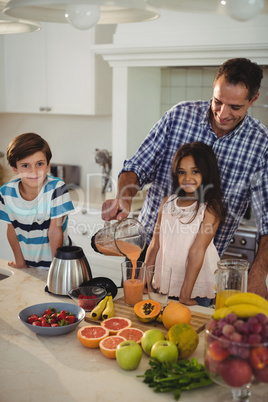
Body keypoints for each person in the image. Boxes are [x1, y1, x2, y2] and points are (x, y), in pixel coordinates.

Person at [102, 58, 268, 300]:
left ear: (253, 100)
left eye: (235, 107)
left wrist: (259, 272)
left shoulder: (261, 143)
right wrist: (124, 198)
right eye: (217, 101)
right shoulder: (179, 115)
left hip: (199, 271)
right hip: (148, 256)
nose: (222, 113)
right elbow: (137, 167)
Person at [144, 142, 226, 306]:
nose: (187, 178)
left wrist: (185, 295)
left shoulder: (210, 208)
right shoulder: (167, 203)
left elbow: (197, 251)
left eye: (195, 171)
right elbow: (155, 244)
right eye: (182, 172)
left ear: (207, 172)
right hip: (165, 284)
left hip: (194, 289)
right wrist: (143, 281)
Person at [0, 133, 74, 269]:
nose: (34, 172)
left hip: (60, 263)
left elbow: (54, 231)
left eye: (39, 164)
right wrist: (20, 262)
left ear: (47, 166)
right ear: (15, 169)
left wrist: (56, 268)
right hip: (29, 265)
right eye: (25, 166)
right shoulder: (6, 193)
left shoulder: (56, 188)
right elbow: (11, 229)